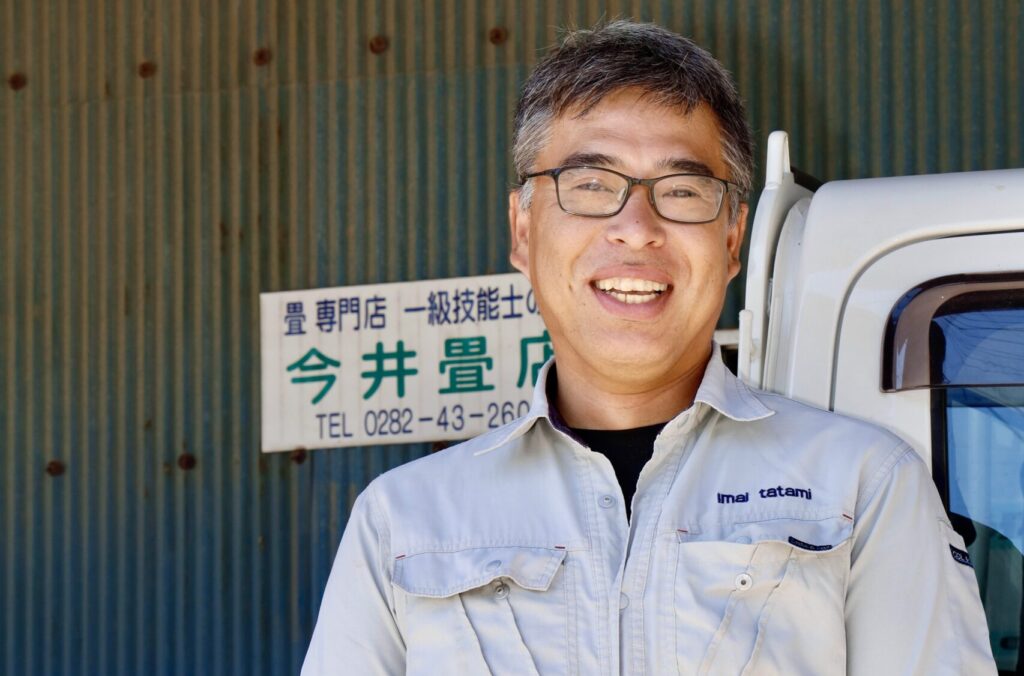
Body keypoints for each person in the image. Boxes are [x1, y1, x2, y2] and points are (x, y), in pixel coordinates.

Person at [302, 20, 996, 675]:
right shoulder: (405, 522)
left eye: (683, 190)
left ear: (732, 240)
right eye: (591, 185)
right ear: (523, 231)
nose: (636, 228)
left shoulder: (862, 486)